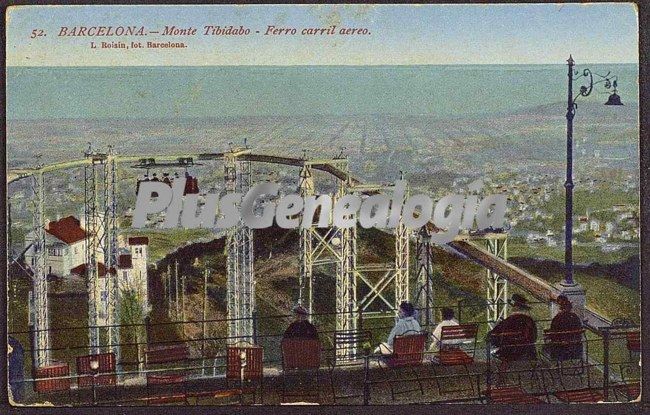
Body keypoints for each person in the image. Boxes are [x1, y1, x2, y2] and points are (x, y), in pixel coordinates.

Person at [489, 293, 537, 362]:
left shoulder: (510, 320)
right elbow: (533, 336)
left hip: (509, 350)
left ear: (514, 307)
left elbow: (495, 333)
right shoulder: (529, 320)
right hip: (528, 349)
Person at [544, 295, 583, 361]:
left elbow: (553, 333)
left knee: (545, 345)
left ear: (560, 307)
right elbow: (579, 331)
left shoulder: (558, 318)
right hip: (575, 347)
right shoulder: (575, 317)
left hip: (561, 348)